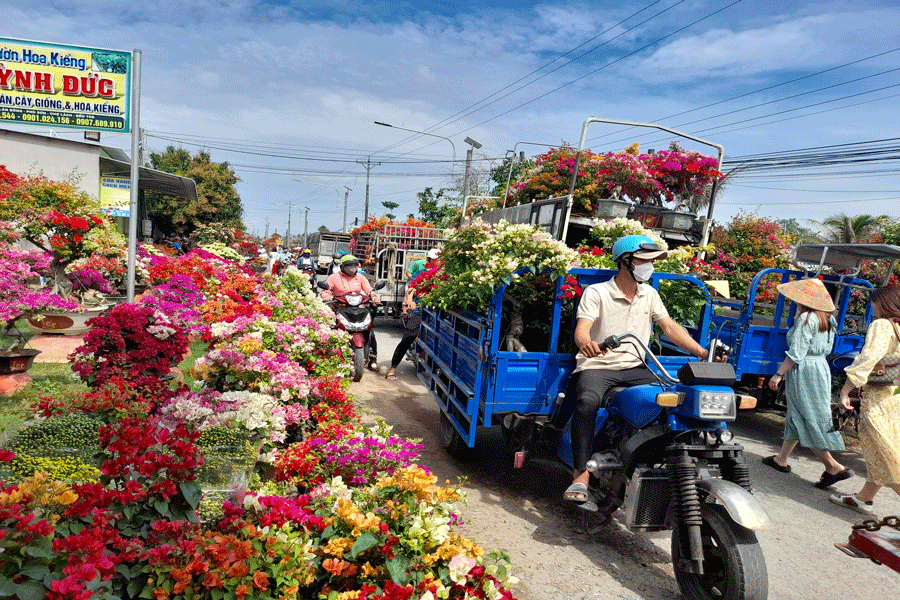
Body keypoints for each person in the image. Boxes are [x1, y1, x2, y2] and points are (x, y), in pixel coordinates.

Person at [564, 235, 715, 509]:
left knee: (675, 399)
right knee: (586, 404)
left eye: (652, 261)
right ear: (625, 261)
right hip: (599, 366)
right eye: (645, 260)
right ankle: (581, 475)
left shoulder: (650, 294)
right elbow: (582, 329)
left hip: (636, 366)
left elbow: (670, 328)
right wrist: (587, 344)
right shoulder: (597, 292)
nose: (650, 266)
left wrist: (702, 353)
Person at [762, 279, 853, 488]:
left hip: (804, 369)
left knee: (807, 416)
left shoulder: (806, 318)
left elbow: (797, 353)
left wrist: (778, 374)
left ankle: (832, 466)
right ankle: (781, 459)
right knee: (799, 413)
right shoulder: (828, 319)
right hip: (820, 367)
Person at [830, 286, 900, 514]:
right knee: (884, 450)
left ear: (884, 303)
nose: (872, 306)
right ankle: (863, 499)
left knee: (885, 456)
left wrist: (846, 390)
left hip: (878, 400)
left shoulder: (882, 325)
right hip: (894, 398)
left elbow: (868, 358)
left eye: (874, 302)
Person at [321, 255, 380, 370]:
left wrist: (374, 296)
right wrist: (326, 296)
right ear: (343, 266)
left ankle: (373, 358)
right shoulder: (334, 277)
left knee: (369, 330)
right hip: (340, 307)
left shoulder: (360, 277)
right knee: (331, 329)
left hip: (359, 307)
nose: (352, 268)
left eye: (354, 265)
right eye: (349, 265)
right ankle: (328, 356)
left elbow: (369, 289)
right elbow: (326, 290)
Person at [385, 286, 420, 381]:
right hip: (418, 312)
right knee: (408, 338)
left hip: (436, 313)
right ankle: (393, 368)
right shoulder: (421, 273)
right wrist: (410, 300)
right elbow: (411, 289)